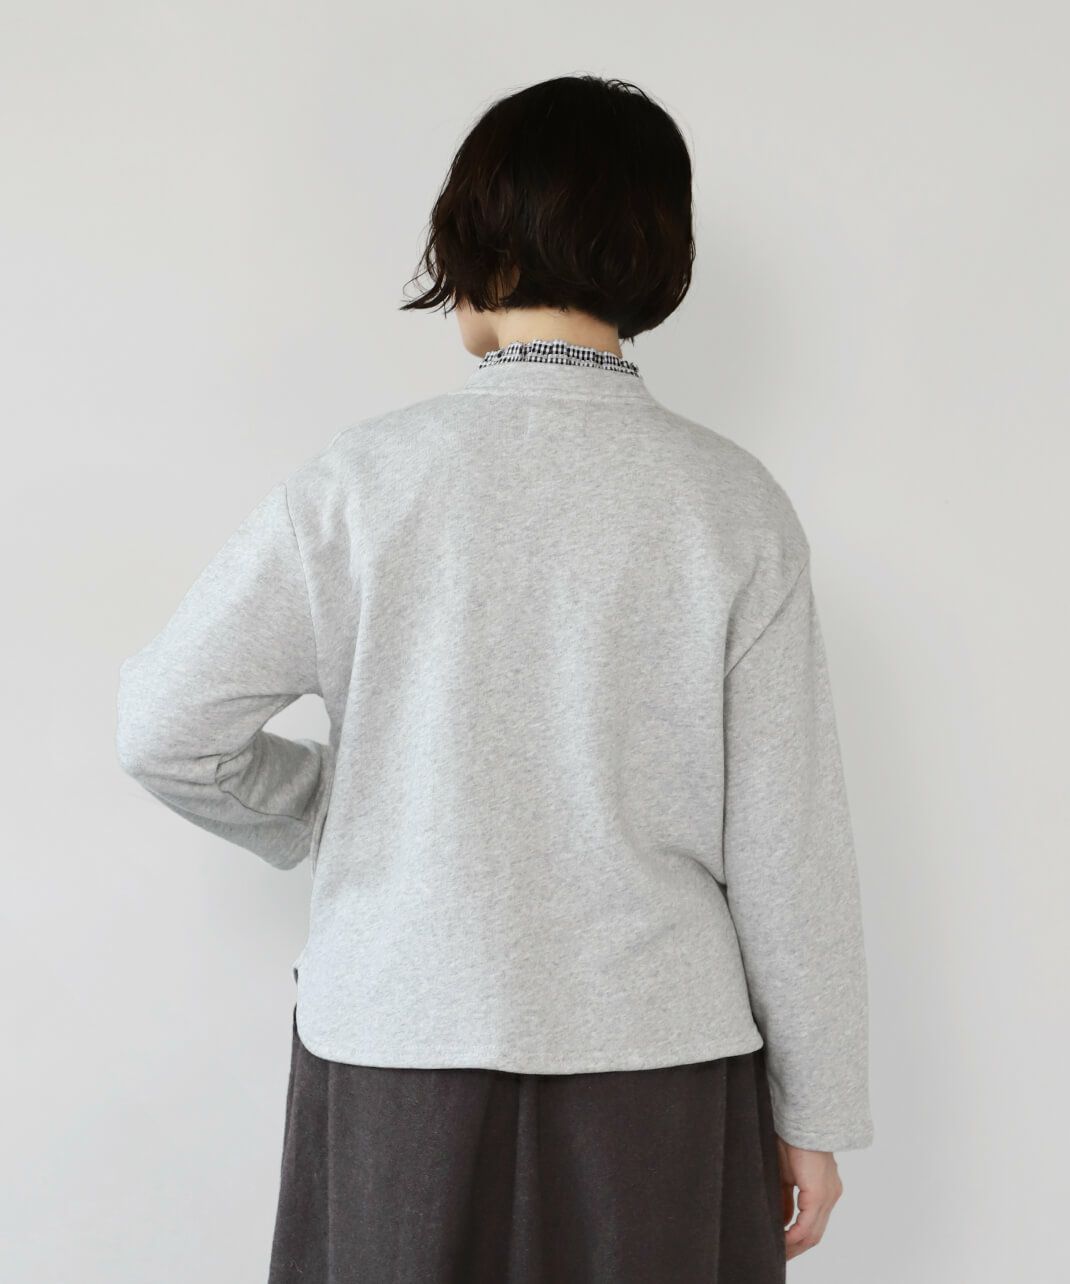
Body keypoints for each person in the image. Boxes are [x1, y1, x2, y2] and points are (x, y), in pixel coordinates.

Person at [115, 74, 873, 1282]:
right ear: (655, 258)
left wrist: (336, 809)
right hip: (657, 1070)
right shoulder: (730, 506)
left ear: (481, 246)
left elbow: (164, 727)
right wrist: (815, 1113)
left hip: (396, 1054)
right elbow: (789, 847)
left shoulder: (360, 484)